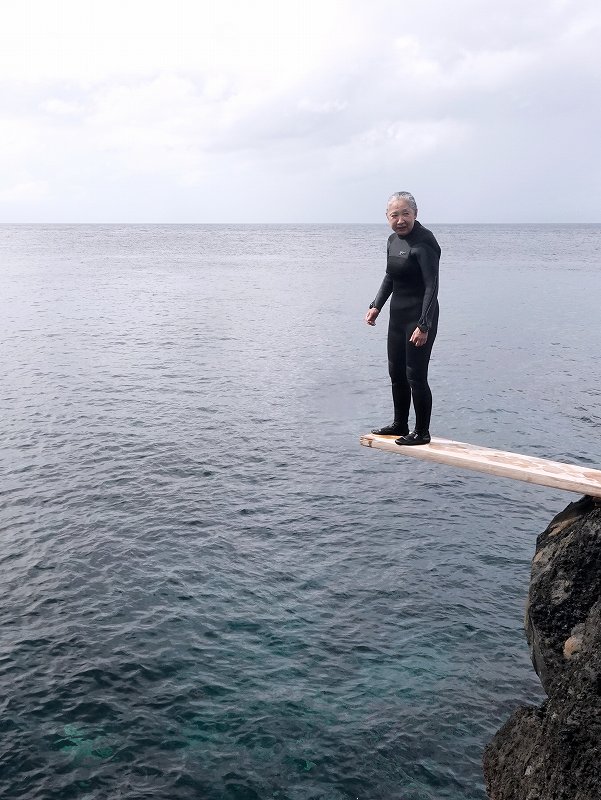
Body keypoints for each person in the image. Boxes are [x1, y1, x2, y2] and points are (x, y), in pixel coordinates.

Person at [365, 191, 440, 446]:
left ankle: (422, 432)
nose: (400, 220)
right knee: (395, 372)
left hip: (419, 317)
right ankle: (400, 423)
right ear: (387, 217)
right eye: (394, 215)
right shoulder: (392, 241)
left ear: (415, 214)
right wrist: (376, 305)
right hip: (397, 317)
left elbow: (432, 285)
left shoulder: (425, 242)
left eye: (405, 213)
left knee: (415, 375)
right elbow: (390, 276)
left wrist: (424, 324)